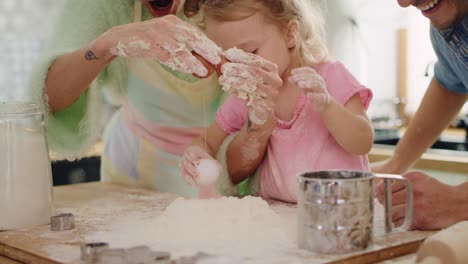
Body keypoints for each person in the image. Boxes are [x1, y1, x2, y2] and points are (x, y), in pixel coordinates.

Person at [180, 0, 374, 202]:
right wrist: (196, 153)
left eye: (252, 52)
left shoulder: (329, 77)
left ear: (290, 34)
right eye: (229, 58)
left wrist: (328, 106)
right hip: (280, 216)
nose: (242, 66)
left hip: (340, 213)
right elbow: (207, 141)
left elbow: (363, 142)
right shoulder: (245, 94)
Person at [27, 0, 226, 197]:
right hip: (132, 168)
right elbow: (50, 101)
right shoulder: (101, 5)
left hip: (218, 162)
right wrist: (106, 45)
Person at [373, 0, 468, 230]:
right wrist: (395, 164)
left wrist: (460, 201)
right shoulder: (446, 23)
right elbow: (450, 84)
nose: (404, 2)